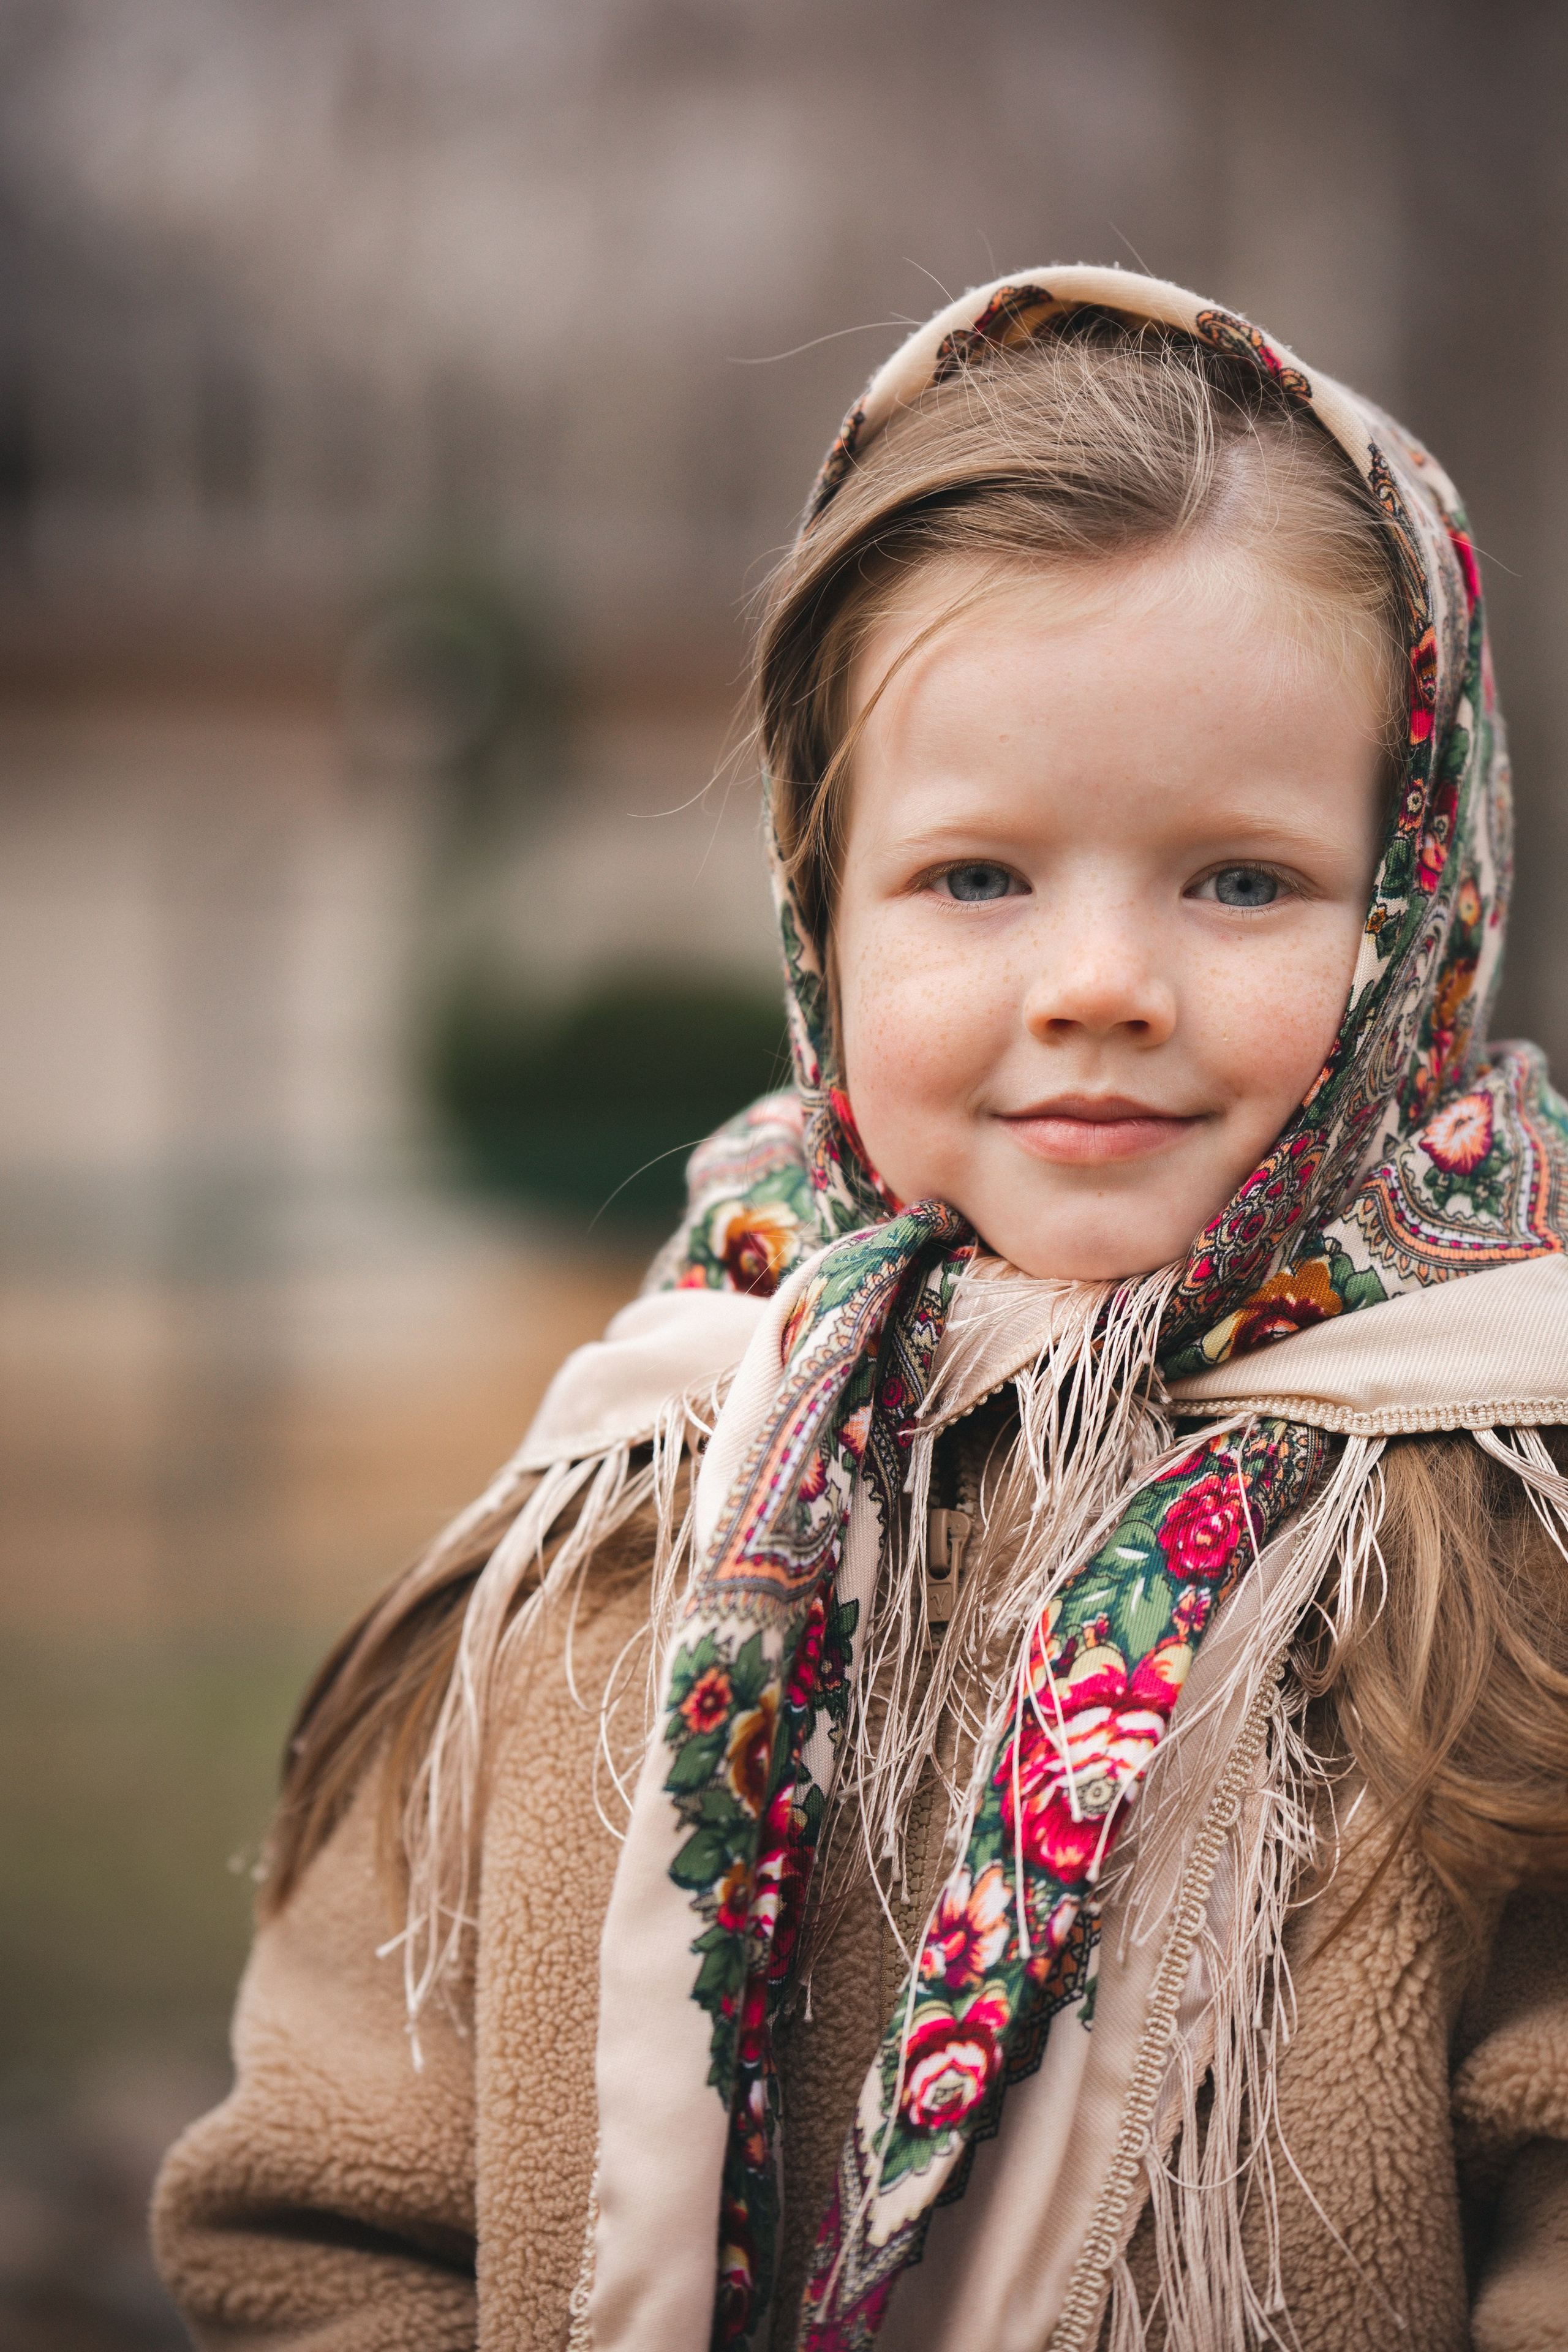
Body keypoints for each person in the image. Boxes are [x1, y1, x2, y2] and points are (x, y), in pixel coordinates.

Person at [152, 269, 1568, 2352]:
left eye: (1241, 880)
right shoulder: (611, 1531)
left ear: (1421, 902)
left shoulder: (1509, 1550)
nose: (1099, 978)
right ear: (819, 908)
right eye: (978, 878)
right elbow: (328, 2214)